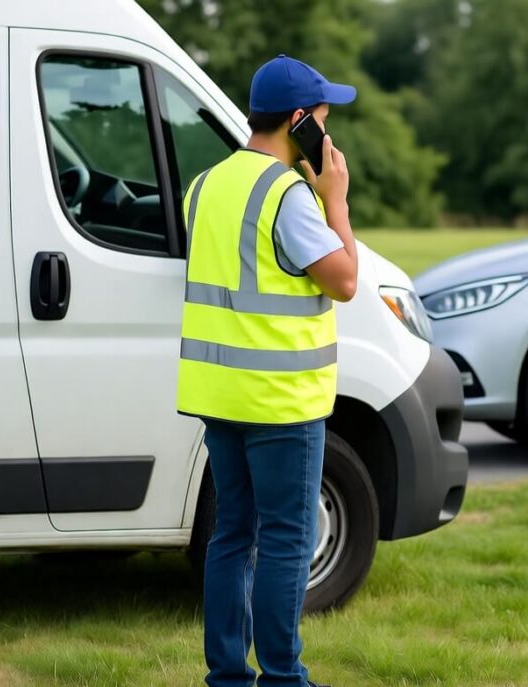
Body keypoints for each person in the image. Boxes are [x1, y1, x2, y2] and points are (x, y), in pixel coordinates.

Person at [176, 54, 359, 687]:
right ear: (301, 119)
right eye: (326, 115)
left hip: (218, 393)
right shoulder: (288, 195)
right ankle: (285, 679)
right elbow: (345, 281)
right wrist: (336, 199)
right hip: (280, 399)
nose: (330, 128)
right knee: (285, 538)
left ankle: (227, 676)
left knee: (233, 533)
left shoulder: (205, 185)